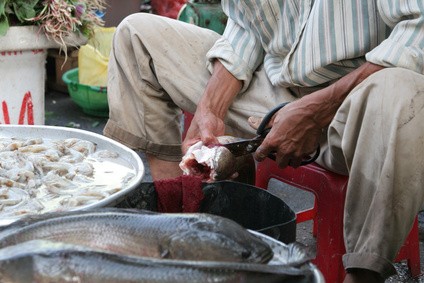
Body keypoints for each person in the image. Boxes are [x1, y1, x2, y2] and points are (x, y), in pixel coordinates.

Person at [103, 1, 424, 282]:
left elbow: (416, 32)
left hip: (361, 108)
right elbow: (246, 26)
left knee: (403, 88)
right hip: (276, 90)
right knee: (137, 34)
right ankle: (176, 233)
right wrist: (211, 106)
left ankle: (362, 274)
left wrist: (315, 112)